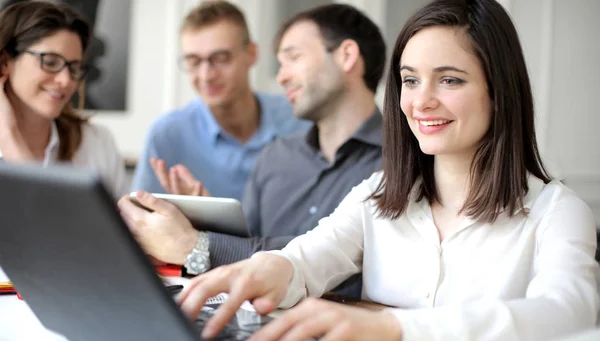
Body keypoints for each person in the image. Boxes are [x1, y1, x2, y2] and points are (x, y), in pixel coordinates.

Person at [171, 0, 599, 341]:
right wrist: (272, 267)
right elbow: (309, 258)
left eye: (449, 79)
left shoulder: (557, 211)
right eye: (410, 80)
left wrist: (391, 327)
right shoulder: (377, 192)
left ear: (499, 91)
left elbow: (566, 316)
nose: (420, 100)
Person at [119, 4, 387, 297]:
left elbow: (338, 261)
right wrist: (205, 226)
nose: (282, 77)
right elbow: (244, 253)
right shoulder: (274, 157)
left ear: (346, 56)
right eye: (193, 61)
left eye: (293, 58)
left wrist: (198, 243)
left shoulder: (402, 165)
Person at [131, 1, 310, 200]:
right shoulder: (167, 136)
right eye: (193, 61)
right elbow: (140, 222)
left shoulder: (299, 119)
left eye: (220, 58)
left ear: (251, 54)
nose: (206, 75)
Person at [0, 0, 127, 198]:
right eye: (50, 62)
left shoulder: (96, 142)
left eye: (74, 68)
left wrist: (9, 137)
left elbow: (118, 228)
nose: (66, 80)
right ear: (4, 63)